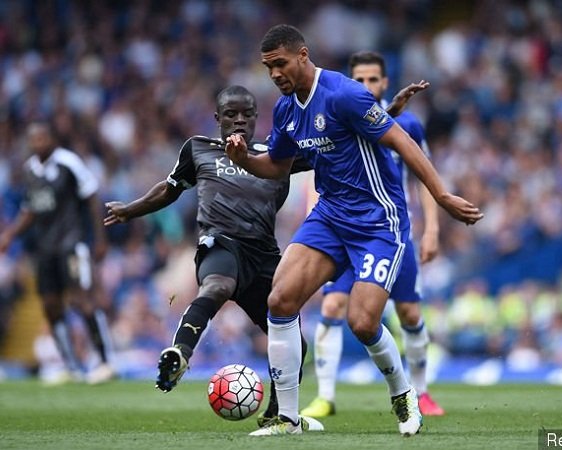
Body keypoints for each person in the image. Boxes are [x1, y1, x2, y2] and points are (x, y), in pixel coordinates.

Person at [225, 24, 483, 436]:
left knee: (362, 323)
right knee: (280, 299)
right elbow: (276, 165)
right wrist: (242, 160)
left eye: (280, 64)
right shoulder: (287, 109)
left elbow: (401, 141)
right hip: (330, 216)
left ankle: (403, 395)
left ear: (303, 55)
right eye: (268, 67)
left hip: (378, 220)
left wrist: (442, 195)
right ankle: (288, 418)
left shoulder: (343, 94)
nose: (274, 74)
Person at [104, 85, 321, 430]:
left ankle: (277, 416)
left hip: (263, 256)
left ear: (255, 118)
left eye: (246, 114)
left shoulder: (276, 154)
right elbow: (169, 188)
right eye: (231, 114)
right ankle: (180, 354)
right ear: (218, 118)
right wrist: (131, 210)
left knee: (295, 343)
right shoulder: (199, 149)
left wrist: (381, 120)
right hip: (220, 244)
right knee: (218, 285)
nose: (239, 120)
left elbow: (330, 146)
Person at [301, 51, 445, 419]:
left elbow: (423, 179)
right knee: (332, 306)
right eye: (359, 80)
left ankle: (422, 392)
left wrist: (432, 229)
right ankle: (326, 397)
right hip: (343, 229)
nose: (366, 85)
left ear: (384, 82)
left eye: (373, 80)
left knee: (410, 313)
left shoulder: (407, 125)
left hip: (389, 231)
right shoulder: (336, 117)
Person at [0, 121, 115, 384]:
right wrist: (9, 234)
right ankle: (72, 365)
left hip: (72, 243)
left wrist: (99, 237)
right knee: (51, 305)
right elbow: (30, 209)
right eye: (33, 139)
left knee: (81, 300)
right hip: (45, 248)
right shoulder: (30, 169)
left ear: (53, 139)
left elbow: (91, 197)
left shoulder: (68, 163)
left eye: (42, 138)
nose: (38, 143)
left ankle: (105, 360)